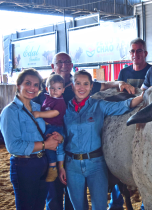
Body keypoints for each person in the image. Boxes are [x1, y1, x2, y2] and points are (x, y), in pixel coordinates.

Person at [33, 52, 136, 210]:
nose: (64, 65)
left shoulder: (84, 87)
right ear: (52, 66)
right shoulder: (43, 93)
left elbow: (109, 86)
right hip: (57, 152)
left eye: (67, 62)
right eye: (60, 62)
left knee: (75, 202)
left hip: (86, 157)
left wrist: (120, 82)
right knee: (53, 197)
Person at [57, 70, 144, 210]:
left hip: (96, 164)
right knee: (78, 207)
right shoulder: (65, 109)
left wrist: (142, 97)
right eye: (77, 83)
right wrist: (61, 166)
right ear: (72, 86)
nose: (81, 87)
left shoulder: (99, 105)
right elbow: (61, 139)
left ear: (92, 87)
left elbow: (123, 106)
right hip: (71, 165)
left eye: (86, 84)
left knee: (100, 206)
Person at [0, 68, 63, 210]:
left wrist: (55, 136)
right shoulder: (10, 112)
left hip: (43, 162)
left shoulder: (38, 107)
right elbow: (13, 146)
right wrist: (45, 145)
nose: (32, 88)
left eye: (36, 85)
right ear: (18, 85)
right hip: (24, 165)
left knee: (39, 205)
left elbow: (43, 131)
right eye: (27, 83)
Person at [109, 38, 151, 210]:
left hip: (147, 121)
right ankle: (116, 200)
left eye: (139, 51)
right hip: (125, 118)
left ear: (145, 53)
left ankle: (145, 202)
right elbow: (119, 96)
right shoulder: (124, 73)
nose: (136, 54)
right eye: (133, 51)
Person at [32, 74, 66, 182]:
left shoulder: (60, 101)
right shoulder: (48, 98)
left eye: (59, 88)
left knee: (54, 146)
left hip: (56, 127)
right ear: (47, 89)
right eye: (52, 88)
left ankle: (53, 167)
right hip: (49, 126)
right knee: (50, 146)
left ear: (63, 90)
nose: (55, 91)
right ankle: (53, 166)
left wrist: (39, 114)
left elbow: (54, 113)